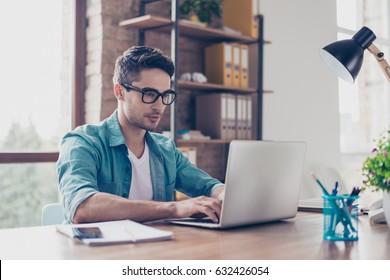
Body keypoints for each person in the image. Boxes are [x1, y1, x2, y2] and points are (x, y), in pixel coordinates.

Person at [57, 46, 225, 224]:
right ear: (119, 91)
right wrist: (173, 208)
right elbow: (82, 207)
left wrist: (224, 195)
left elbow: (208, 186)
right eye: (149, 94)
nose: (159, 106)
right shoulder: (82, 143)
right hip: (99, 251)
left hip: (156, 248)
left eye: (165, 95)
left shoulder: (166, 149)